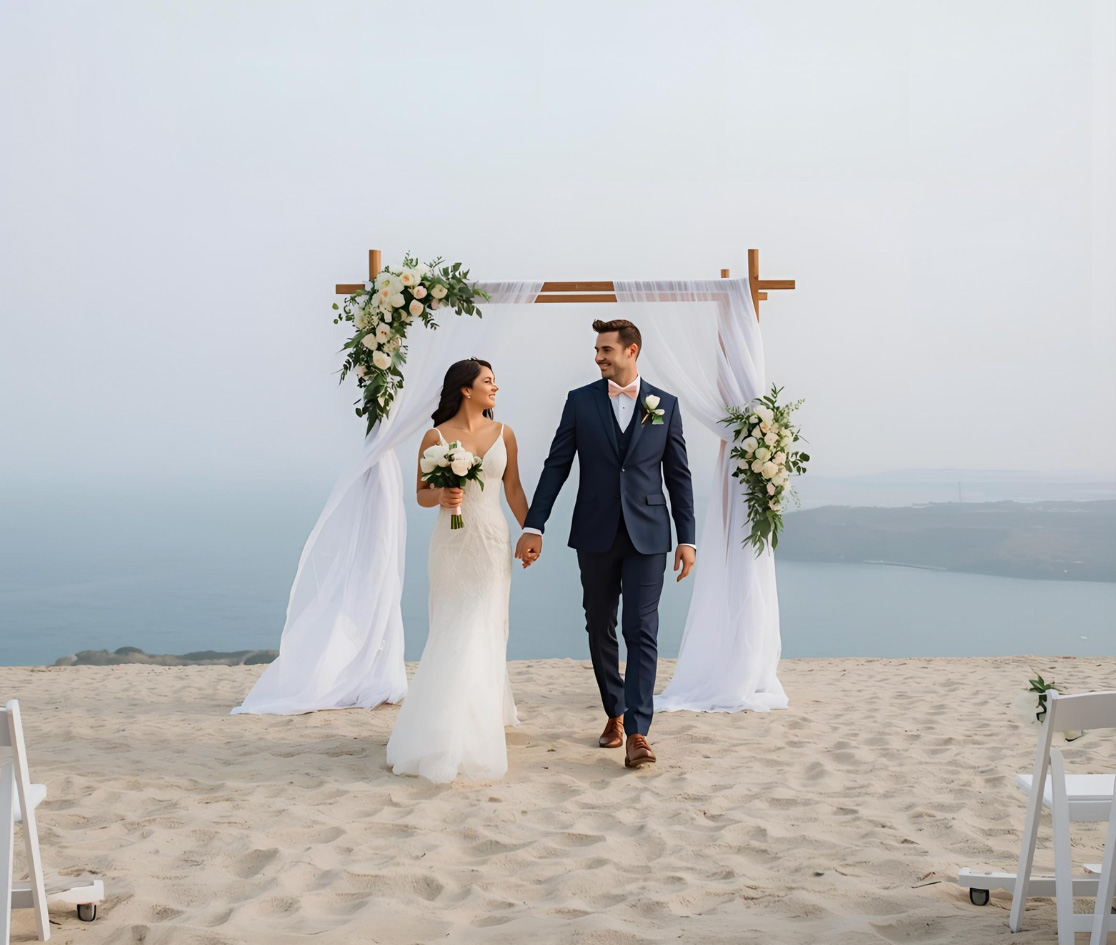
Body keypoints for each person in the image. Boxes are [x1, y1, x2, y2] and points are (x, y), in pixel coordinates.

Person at [515, 319, 696, 769]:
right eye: (597, 350)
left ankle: (638, 731)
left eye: (606, 350)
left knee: (642, 628)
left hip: (649, 533)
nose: (598, 357)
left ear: (631, 351)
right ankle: (613, 712)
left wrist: (687, 537)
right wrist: (534, 526)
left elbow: (678, 476)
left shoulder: (665, 404)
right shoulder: (580, 402)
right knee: (599, 626)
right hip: (595, 530)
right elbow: (556, 465)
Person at [385, 359, 528, 783]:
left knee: (484, 624)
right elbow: (420, 494)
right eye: (488, 381)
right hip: (450, 542)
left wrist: (532, 530)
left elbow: (514, 488)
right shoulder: (436, 436)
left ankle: (477, 717)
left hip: (490, 541)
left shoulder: (506, 434)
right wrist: (443, 495)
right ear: (466, 389)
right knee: (452, 626)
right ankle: (444, 727)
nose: (495, 387)